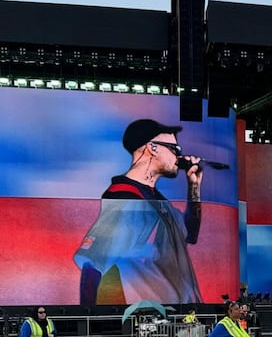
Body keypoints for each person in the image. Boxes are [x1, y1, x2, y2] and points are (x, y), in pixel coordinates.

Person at [75, 119, 204, 306]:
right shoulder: (125, 196)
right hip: (141, 313)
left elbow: (189, 234)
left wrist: (194, 187)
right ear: (152, 148)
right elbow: (92, 263)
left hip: (171, 311)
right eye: (175, 150)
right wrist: (92, 317)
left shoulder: (156, 200)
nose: (180, 157)